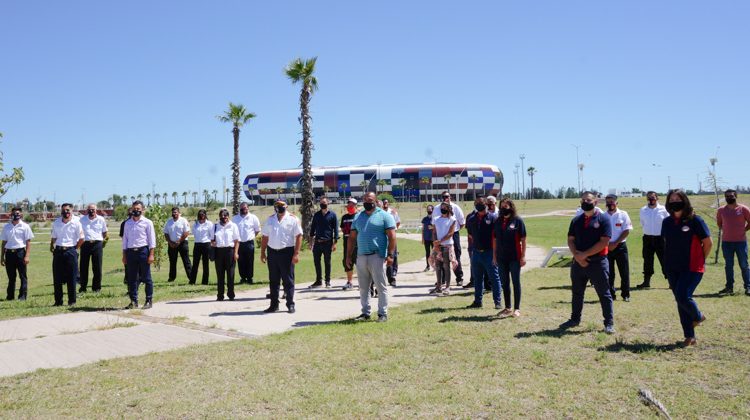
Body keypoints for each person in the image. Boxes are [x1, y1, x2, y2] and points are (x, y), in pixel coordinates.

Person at [662, 189, 712, 346]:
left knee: (683, 296)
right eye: (671, 200)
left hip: (692, 267)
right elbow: (666, 244)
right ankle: (689, 337)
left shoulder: (696, 220)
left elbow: (708, 243)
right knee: (680, 300)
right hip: (672, 267)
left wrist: (700, 259)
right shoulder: (667, 222)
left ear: (685, 201)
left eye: (678, 199)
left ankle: (698, 316)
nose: (674, 202)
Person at [560, 192, 615, 334]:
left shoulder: (603, 219)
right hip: (578, 263)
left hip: (598, 262)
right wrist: (577, 257)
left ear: (595, 202)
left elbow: (604, 242)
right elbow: (570, 239)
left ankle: (608, 323)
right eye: (583, 200)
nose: (585, 202)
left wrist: (584, 255)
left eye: (588, 200)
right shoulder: (576, 220)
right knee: (577, 292)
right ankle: (574, 319)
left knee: (604, 293)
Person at [346, 192, 397, 322]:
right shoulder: (358, 217)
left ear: (375, 200)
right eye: (364, 200)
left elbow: (392, 237)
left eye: (369, 200)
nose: (366, 202)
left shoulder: (385, 216)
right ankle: (365, 313)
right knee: (363, 287)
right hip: (361, 256)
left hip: (377, 256)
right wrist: (348, 256)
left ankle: (382, 313)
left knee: (380, 286)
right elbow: (351, 238)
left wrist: (390, 255)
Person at [260, 199, 303, 313]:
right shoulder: (270, 219)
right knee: (273, 280)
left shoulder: (293, 219)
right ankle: (274, 305)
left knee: (288, 280)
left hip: (287, 252)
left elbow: (299, 236)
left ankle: (290, 304)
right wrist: (262, 252)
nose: (280, 207)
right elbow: (265, 237)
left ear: (286, 206)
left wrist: (296, 254)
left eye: (282, 205)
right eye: (277, 205)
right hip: (272, 252)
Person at [465, 196, 502, 309]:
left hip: (490, 252)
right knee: (477, 278)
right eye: (478, 205)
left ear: (487, 205)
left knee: (494, 277)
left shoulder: (494, 218)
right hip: (476, 253)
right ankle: (477, 301)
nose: (480, 207)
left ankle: (497, 302)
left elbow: (498, 236)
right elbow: (470, 235)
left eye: (482, 204)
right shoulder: (472, 219)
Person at [494, 198, 526, 317]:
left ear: (511, 207)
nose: (503, 208)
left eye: (506, 206)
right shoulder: (497, 221)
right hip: (501, 257)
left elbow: (523, 239)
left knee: (515, 282)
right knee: (504, 283)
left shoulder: (517, 221)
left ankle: (517, 309)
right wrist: (494, 256)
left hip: (514, 257)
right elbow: (495, 239)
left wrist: (523, 256)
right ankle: (508, 307)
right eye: (502, 206)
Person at [122, 201, 156, 309]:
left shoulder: (147, 222)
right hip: (131, 252)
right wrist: (124, 255)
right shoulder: (127, 223)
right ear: (131, 210)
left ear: (142, 210)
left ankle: (148, 300)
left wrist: (151, 254)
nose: (136, 210)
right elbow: (125, 240)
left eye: (138, 209)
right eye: (134, 208)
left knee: (146, 277)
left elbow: (152, 240)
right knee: (132, 278)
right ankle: (133, 301)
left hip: (143, 251)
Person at [716, 189, 750, 295]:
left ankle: (748, 287)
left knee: (744, 265)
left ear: (736, 196)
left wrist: (743, 230)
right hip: (726, 242)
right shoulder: (721, 210)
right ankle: (729, 288)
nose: (729, 198)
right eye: (727, 196)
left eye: (731, 196)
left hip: (741, 242)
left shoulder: (744, 209)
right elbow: (719, 223)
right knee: (728, 265)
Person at [50, 203, 84, 306]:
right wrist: (51, 245)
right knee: (57, 278)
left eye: (68, 210)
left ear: (71, 211)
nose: (66, 212)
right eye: (64, 210)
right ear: (61, 211)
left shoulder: (76, 223)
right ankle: (58, 301)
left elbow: (82, 239)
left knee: (71, 278)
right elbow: (54, 237)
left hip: (71, 251)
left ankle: (72, 301)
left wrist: (75, 248)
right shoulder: (56, 223)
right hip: (59, 251)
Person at [603, 194, 633, 301]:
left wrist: (615, 243)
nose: (610, 204)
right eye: (608, 202)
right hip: (607, 246)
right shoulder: (603, 216)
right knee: (609, 272)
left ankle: (626, 294)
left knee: (624, 271)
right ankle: (611, 294)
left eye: (612, 202)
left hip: (620, 246)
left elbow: (626, 230)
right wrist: (608, 244)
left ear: (617, 203)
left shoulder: (623, 214)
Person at [637, 191, 669, 289]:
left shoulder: (663, 210)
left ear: (657, 198)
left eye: (653, 198)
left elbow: (668, 224)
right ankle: (646, 282)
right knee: (647, 260)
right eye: (649, 198)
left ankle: (671, 282)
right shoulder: (643, 210)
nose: (651, 200)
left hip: (660, 239)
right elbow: (643, 223)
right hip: (647, 238)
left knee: (664, 260)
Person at [1, 207, 34, 301]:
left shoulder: (25, 226)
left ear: (21, 215)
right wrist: (2, 257)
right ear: (11, 215)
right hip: (9, 254)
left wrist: (27, 256)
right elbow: (3, 243)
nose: (16, 215)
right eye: (14, 213)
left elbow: (28, 242)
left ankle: (22, 296)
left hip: (20, 253)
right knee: (11, 277)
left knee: (23, 276)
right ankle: (10, 296)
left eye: (18, 213)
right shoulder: (7, 227)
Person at [434, 192, 465, 286]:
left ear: (450, 197)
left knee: (456, 256)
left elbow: (462, 222)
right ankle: (442, 280)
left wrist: (453, 231)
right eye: (443, 197)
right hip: (440, 236)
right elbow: (434, 223)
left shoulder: (455, 207)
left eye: (447, 196)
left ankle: (459, 278)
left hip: (453, 234)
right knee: (440, 258)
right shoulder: (437, 208)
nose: (445, 198)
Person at [78, 203, 108, 293]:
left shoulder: (101, 219)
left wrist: (102, 242)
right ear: (87, 210)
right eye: (90, 209)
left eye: (93, 209)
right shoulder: (82, 220)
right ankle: (83, 287)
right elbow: (79, 232)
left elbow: (105, 233)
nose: (91, 211)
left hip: (97, 244)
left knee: (97, 267)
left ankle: (96, 288)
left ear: (96, 210)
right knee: (83, 267)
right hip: (85, 244)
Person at [309, 197, 339, 288]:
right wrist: (311, 243)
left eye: (324, 203)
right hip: (317, 243)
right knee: (316, 262)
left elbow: (336, 230)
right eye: (321, 203)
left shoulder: (332, 215)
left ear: (328, 203)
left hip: (328, 243)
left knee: (327, 262)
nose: (323, 204)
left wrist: (334, 243)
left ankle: (328, 281)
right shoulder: (316, 215)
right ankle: (318, 281)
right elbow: (312, 229)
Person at [212, 209, 240, 301]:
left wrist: (236, 253)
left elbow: (237, 241)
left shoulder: (233, 226)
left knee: (230, 274)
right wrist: (213, 243)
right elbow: (212, 239)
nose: (223, 218)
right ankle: (220, 295)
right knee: (220, 275)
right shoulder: (215, 226)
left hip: (230, 251)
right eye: (221, 216)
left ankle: (231, 294)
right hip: (219, 252)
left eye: (225, 216)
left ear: (228, 216)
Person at [429, 202, 457, 296]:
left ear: (449, 208)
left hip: (447, 245)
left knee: (446, 266)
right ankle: (438, 286)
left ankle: (447, 286)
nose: (443, 209)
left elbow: (450, 233)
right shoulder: (436, 219)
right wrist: (435, 242)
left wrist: (440, 241)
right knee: (438, 266)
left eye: (445, 207)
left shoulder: (452, 219)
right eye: (441, 207)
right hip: (438, 246)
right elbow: (434, 232)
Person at [232, 202, 261, 284]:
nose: (243, 209)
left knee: (250, 261)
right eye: (241, 208)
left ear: (248, 208)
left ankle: (250, 278)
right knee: (240, 261)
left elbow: (257, 229)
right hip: (239, 243)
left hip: (249, 243)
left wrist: (251, 236)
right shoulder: (235, 218)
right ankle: (243, 278)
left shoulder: (253, 217)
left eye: (245, 208)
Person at [164, 207, 192, 283]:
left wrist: (179, 241)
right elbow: (166, 233)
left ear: (179, 213)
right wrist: (170, 242)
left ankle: (191, 278)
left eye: (176, 212)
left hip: (182, 243)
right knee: (172, 262)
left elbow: (186, 232)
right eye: (173, 212)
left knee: (186, 261)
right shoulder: (169, 222)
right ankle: (171, 278)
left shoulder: (183, 220)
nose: (174, 214)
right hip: (172, 244)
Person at [190, 209, 214, 285]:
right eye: (200, 214)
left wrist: (211, 244)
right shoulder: (195, 224)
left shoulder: (209, 224)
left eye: (203, 214)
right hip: (197, 244)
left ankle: (205, 282)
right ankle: (192, 281)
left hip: (206, 244)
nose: (201, 216)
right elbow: (193, 233)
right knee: (195, 264)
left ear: (205, 215)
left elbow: (212, 235)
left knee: (205, 264)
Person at [340, 198, 359, 290]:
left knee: (359, 263)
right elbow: (343, 229)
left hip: (358, 244)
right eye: (348, 205)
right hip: (346, 243)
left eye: (351, 205)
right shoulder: (344, 217)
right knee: (347, 262)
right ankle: (349, 282)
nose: (349, 207)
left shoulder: (359, 216)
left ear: (356, 206)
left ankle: (362, 282)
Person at [382, 199, 400, 286]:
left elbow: (398, 222)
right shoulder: (379, 213)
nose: (385, 204)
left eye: (386, 202)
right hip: (382, 237)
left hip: (391, 235)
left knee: (392, 254)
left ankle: (392, 274)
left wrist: (393, 230)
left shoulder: (392, 212)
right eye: (384, 202)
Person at [421, 205, 435, 272]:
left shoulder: (435, 219)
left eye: (430, 209)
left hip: (433, 238)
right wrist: (422, 238)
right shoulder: (424, 219)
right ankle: (428, 266)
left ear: (433, 210)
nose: (429, 210)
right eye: (428, 209)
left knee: (435, 253)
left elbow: (438, 228)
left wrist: (433, 227)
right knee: (427, 253)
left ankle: (435, 266)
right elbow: (423, 229)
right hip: (426, 238)